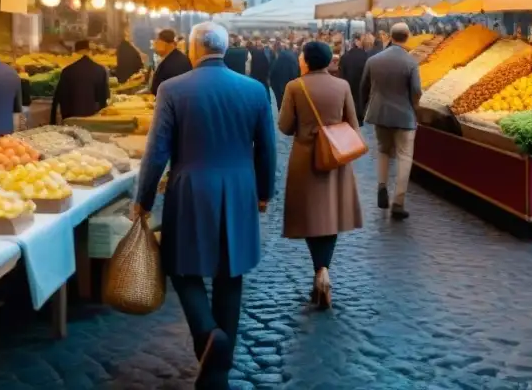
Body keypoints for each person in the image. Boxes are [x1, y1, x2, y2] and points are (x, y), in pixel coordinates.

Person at [133, 23, 276, 389]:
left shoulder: (173, 88)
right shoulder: (255, 90)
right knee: (231, 273)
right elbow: (267, 148)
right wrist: (264, 192)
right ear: (225, 50)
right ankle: (219, 373)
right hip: (240, 186)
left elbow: (156, 151)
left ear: (194, 49)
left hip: (191, 186)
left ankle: (207, 331)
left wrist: (143, 199)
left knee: (180, 266)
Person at [278, 41, 363, 309]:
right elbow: (353, 123)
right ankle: (324, 269)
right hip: (336, 156)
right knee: (331, 214)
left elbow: (284, 127)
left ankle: (319, 270)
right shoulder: (342, 86)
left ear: (306, 60)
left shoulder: (295, 86)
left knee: (311, 215)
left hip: (306, 159)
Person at [361, 22, 422, 221]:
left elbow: (363, 86)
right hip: (404, 116)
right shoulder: (410, 62)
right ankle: (398, 201)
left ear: (390, 36)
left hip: (380, 114)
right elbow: (416, 91)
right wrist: (415, 108)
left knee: (383, 150)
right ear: (408, 36)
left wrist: (367, 106)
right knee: (404, 156)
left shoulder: (374, 60)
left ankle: (381, 186)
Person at [49, 40, 109, 123]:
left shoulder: (67, 70)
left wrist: (53, 121)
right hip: (92, 117)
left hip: (71, 118)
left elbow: (59, 96)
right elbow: (104, 97)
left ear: (76, 51)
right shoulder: (100, 70)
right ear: (88, 50)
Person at [150, 29, 192, 96]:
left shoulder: (177, 62)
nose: (155, 44)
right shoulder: (171, 57)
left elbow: (174, 89)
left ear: (168, 44)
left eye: (157, 41)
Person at [338, 35, 369, 125]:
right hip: (362, 85)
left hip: (348, 83)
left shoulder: (345, 57)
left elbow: (341, 73)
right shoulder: (366, 56)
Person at [269, 41, 301, 112]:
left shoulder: (278, 59)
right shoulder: (294, 57)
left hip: (279, 86)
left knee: (281, 105)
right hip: (292, 84)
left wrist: (272, 84)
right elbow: (298, 71)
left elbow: (272, 73)